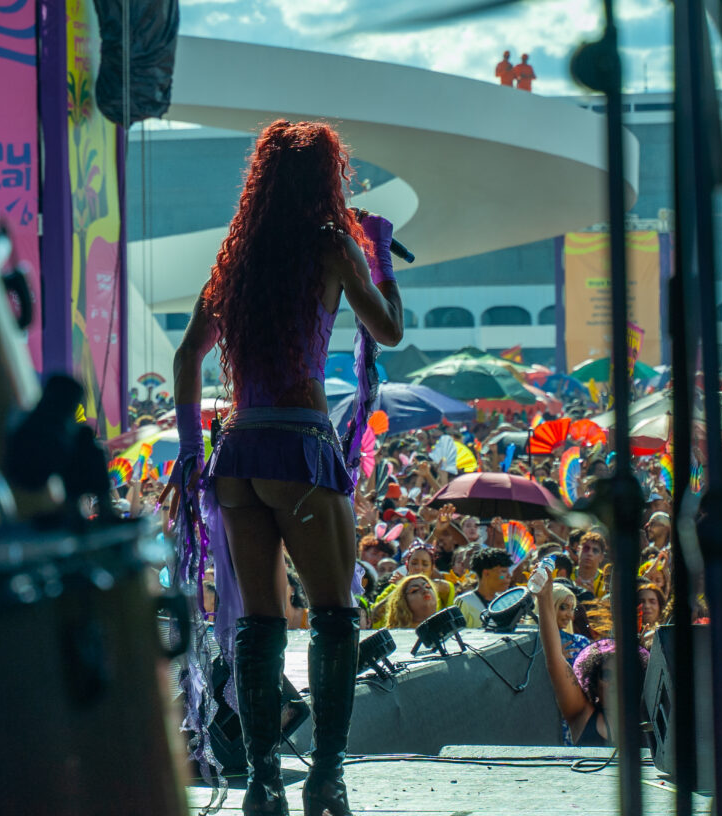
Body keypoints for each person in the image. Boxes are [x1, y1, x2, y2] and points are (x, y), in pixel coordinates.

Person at [168, 119, 404, 816]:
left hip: (238, 455)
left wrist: (191, 453)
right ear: (328, 179)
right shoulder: (333, 247)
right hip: (300, 448)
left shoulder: (235, 260)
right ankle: (325, 777)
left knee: (259, 622)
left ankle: (262, 781)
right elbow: (388, 330)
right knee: (334, 615)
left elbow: (186, 357)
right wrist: (379, 255)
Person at [535, 574, 648, 745]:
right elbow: (554, 658)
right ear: (594, 683)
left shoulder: (649, 718)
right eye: (606, 675)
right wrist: (544, 597)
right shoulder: (582, 714)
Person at [455, 547, 514, 629]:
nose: (509, 576)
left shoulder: (504, 604)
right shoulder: (465, 602)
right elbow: (455, 634)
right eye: (503, 571)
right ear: (486, 573)